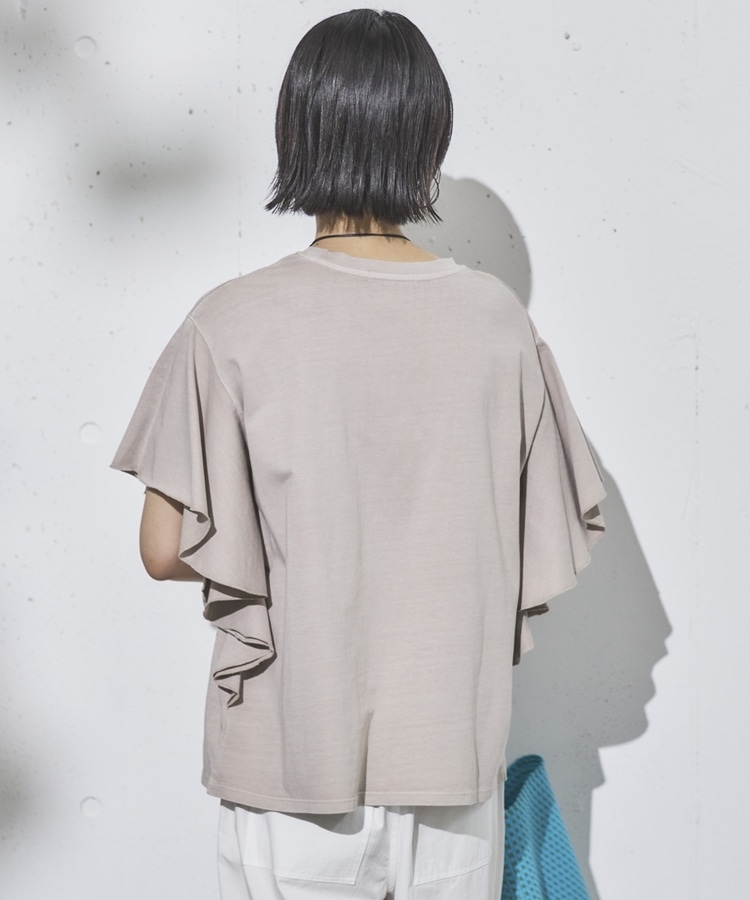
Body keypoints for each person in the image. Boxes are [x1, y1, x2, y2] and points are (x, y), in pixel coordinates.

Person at [111, 9, 606, 900]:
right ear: (427, 138)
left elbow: (162, 547)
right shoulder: (499, 325)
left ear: (296, 131)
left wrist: (306, 548)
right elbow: (540, 546)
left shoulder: (231, 321)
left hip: (290, 760)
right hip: (449, 764)